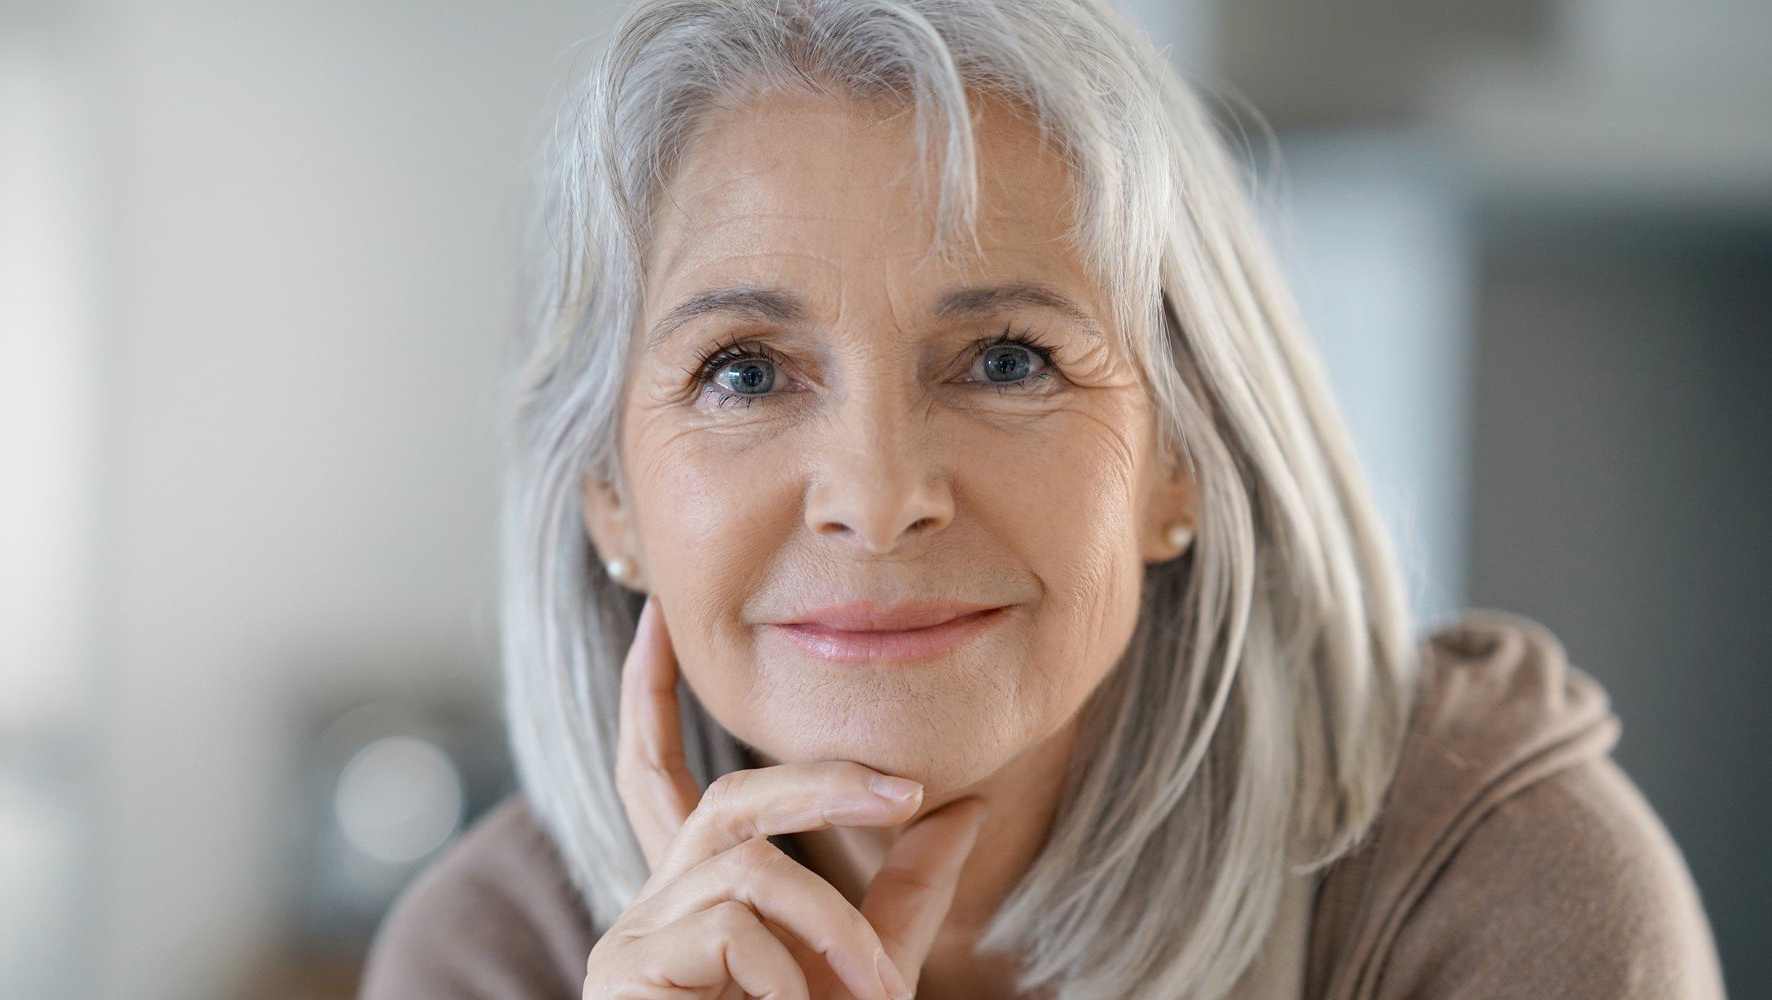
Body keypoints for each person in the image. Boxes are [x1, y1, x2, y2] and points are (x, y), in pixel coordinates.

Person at [358, 0, 1727, 997]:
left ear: (1184, 454)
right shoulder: (499, 957)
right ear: (610, 497)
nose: (879, 498)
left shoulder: (1495, 889)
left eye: (1007, 359)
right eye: (744, 372)